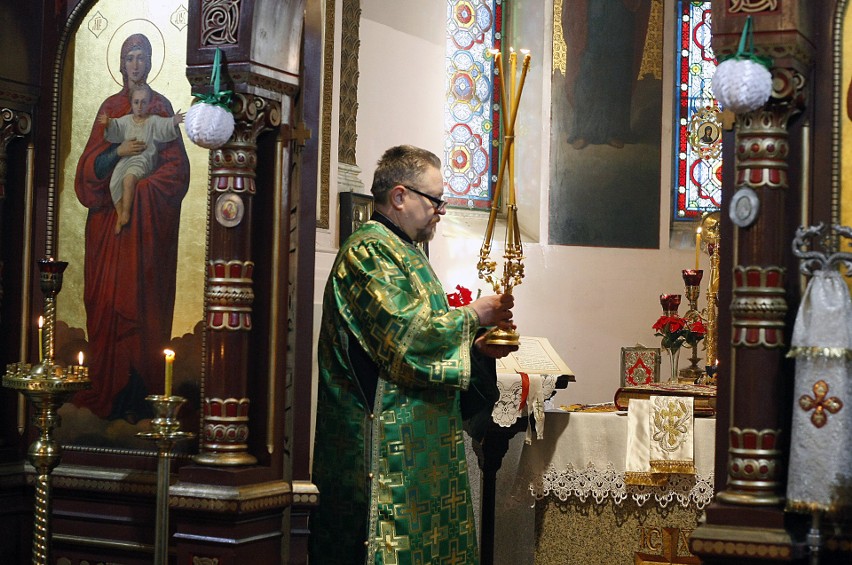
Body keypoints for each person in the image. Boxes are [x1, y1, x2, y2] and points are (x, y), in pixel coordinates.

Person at [310, 145, 518, 564]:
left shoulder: (406, 252)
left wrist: (473, 346)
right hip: (384, 447)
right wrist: (474, 314)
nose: (441, 210)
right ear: (400, 196)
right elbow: (405, 339)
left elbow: (425, 335)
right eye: (435, 200)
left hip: (419, 444)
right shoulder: (368, 251)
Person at [72, 33, 190, 421]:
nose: (135, 65)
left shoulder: (159, 107)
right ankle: (105, 385)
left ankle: (140, 393)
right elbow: (88, 169)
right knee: (105, 303)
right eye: (129, 58)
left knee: (140, 306)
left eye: (142, 57)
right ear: (121, 64)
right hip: (108, 228)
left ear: (150, 62)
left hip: (144, 233)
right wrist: (115, 154)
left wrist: (141, 191)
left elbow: (177, 171)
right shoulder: (111, 109)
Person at [99, 84, 185, 234]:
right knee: (114, 182)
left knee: (128, 179)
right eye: (136, 102)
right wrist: (109, 123)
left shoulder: (153, 121)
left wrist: (173, 121)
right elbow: (116, 128)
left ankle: (126, 212)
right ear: (131, 103)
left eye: (143, 102)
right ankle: (120, 214)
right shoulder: (126, 121)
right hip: (126, 159)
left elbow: (164, 126)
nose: (139, 106)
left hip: (143, 159)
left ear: (149, 103)